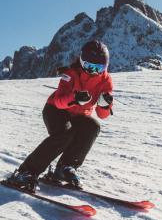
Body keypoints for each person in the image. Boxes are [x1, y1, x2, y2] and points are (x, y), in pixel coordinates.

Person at [7, 40, 114, 192]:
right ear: (81, 61)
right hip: (55, 110)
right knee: (65, 134)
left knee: (93, 126)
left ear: (105, 67)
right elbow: (58, 101)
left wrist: (105, 105)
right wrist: (74, 98)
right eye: (88, 66)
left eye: (98, 68)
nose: (92, 71)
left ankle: (65, 168)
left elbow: (102, 115)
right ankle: (26, 172)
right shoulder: (70, 74)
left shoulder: (106, 81)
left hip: (79, 115)